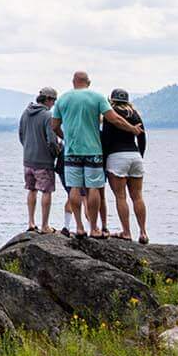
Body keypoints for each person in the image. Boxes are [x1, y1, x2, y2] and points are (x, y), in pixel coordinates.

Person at [53, 70, 110, 237]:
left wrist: (67, 138)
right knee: (93, 188)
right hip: (93, 150)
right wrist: (131, 129)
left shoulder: (63, 99)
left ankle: (78, 227)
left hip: (71, 152)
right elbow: (112, 118)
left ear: (73, 82)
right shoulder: (98, 97)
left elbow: (54, 125)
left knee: (74, 188)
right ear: (89, 82)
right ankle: (93, 228)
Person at [103, 88, 148, 242]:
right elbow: (142, 138)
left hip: (117, 156)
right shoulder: (135, 114)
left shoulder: (111, 114)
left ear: (112, 100)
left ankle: (126, 232)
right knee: (137, 196)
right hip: (135, 156)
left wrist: (104, 159)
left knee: (121, 197)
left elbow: (107, 139)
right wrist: (139, 155)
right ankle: (143, 232)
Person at [17, 87, 60, 233]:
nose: (54, 104)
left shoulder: (25, 113)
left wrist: (28, 149)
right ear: (48, 100)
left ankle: (30, 222)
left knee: (31, 190)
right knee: (46, 191)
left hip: (28, 160)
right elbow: (52, 139)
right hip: (43, 161)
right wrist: (55, 152)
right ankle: (44, 226)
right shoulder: (47, 115)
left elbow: (21, 135)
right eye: (53, 101)